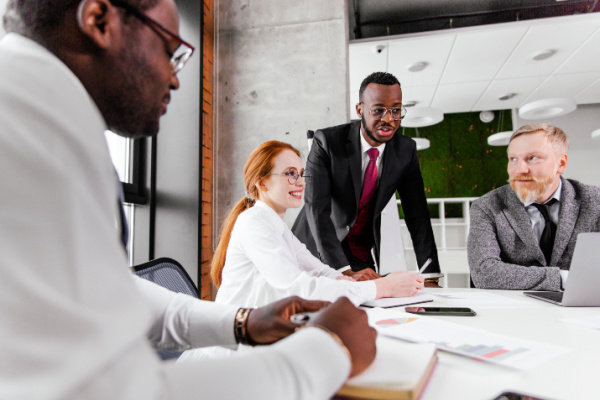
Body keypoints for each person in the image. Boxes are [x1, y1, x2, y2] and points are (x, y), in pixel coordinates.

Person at [0, 1, 378, 399]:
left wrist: (241, 321)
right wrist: (326, 352)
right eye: (171, 51)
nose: (177, 79)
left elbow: (113, 289)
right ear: (99, 20)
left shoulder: (45, 116)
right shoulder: (23, 132)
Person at [210, 140, 425, 308]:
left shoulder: (276, 226)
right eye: (290, 174)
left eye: (301, 174)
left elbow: (319, 271)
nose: (301, 182)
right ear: (262, 182)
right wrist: (382, 287)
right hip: (234, 346)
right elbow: (299, 289)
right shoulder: (254, 223)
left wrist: (355, 282)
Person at [292, 71, 441, 283]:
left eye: (396, 111)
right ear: (360, 109)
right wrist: (342, 271)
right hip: (316, 250)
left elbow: (417, 214)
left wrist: (430, 274)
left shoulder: (405, 150)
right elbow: (316, 208)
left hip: (360, 253)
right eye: (378, 110)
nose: (388, 119)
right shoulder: (327, 142)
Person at [468, 123, 600, 290]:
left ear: (561, 163)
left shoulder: (595, 201)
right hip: (515, 311)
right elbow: (483, 273)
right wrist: (563, 278)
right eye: (513, 159)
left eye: (533, 158)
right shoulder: (487, 206)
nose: (520, 169)